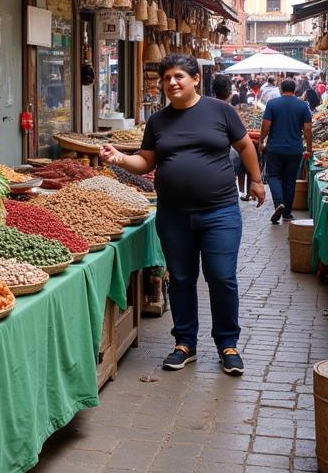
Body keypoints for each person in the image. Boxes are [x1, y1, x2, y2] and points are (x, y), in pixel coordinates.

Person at [99, 55, 265, 376]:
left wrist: (256, 181)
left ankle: (227, 344)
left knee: (221, 276)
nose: (172, 83)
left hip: (220, 211)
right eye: (166, 78)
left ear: (195, 79)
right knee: (182, 279)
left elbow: (245, 145)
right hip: (173, 215)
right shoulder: (158, 122)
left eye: (179, 76)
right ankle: (185, 343)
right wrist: (120, 158)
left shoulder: (220, 111)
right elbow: (146, 162)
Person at [260, 78, 312, 223]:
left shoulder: (272, 104)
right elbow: (308, 130)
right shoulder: (303, 105)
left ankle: (279, 203)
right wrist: (309, 148)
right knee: (289, 181)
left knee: (274, 176)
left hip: (274, 148)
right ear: (294, 90)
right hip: (295, 150)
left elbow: (266, 125)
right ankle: (287, 213)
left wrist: (260, 141)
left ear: (281, 89)